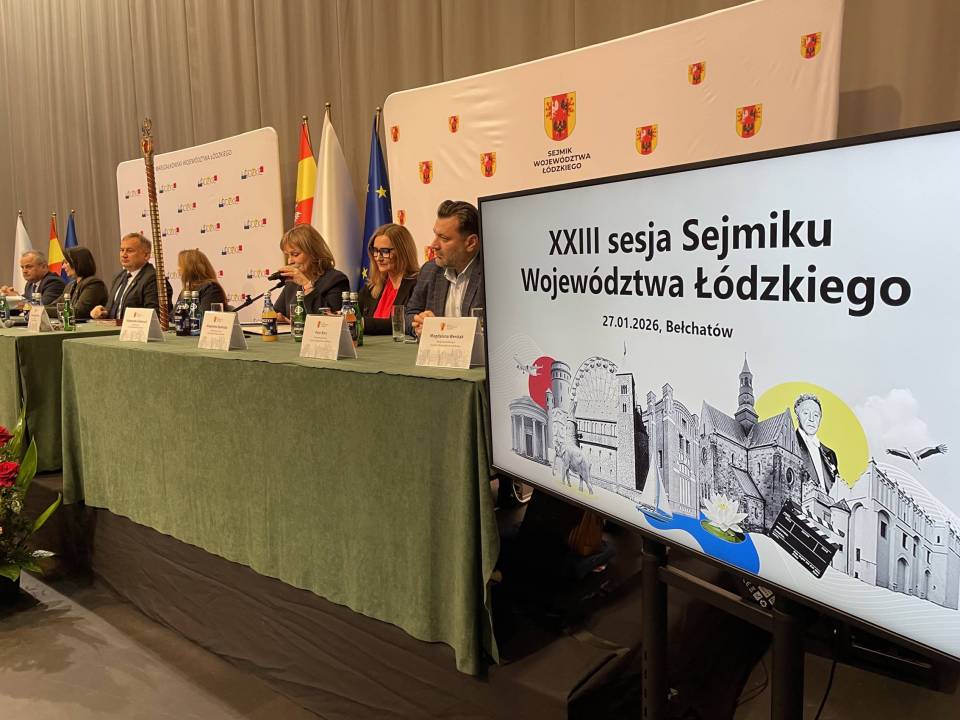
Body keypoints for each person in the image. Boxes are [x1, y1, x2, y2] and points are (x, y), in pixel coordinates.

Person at [405, 200, 485, 336]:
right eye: (436, 235)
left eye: (444, 238)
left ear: (471, 242)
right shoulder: (430, 270)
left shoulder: (491, 275)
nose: (434, 245)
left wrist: (442, 329)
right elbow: (410, 314)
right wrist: (419, 324)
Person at [273, 224, 350, 320]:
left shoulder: (336, 280)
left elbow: (333, 320)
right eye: (288, 255)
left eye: (295, 254)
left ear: (313, 252)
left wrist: (306, 286)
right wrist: (279, 319)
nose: (290, 261)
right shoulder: (291, 283)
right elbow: (277, 313)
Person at [90, 232, 172, 320]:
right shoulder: (119, 277)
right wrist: (103, 312)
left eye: (129, 251)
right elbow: (114, 311)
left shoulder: (153, 279)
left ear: (146, 255)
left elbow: (154, 315)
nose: (124, 255)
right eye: (122, 250)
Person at [358, 223, 420, 335]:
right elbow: (354, 314)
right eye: (375, 250)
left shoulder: (417, 285)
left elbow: (405, 323)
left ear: (402, 252)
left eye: (385, 251)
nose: (378, 257)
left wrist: (363, 323)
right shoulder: (372, 287)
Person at [794, 393, 841, 495]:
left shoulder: (830, 454)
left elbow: (837, 490)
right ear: (797, 415)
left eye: (816, 415)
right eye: (806, 413)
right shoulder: (790, 444)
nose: (811, 419)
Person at [0, 250, 65, 306]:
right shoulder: (30, 284)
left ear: (44, 267)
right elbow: (26, 302)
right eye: (22, 267)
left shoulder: (54, 282)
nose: (24, 271)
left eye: (29, 267)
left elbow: (42, 307)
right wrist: (8, 296)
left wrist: (17, 298)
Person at [60, 246, 107, 319]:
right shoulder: (70, 285)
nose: (63, 267)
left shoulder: (94, 284)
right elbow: (57, 305)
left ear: (79, 263)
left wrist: (44, 311)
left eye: (66, 262)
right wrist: (41, 308)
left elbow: (78, 312)